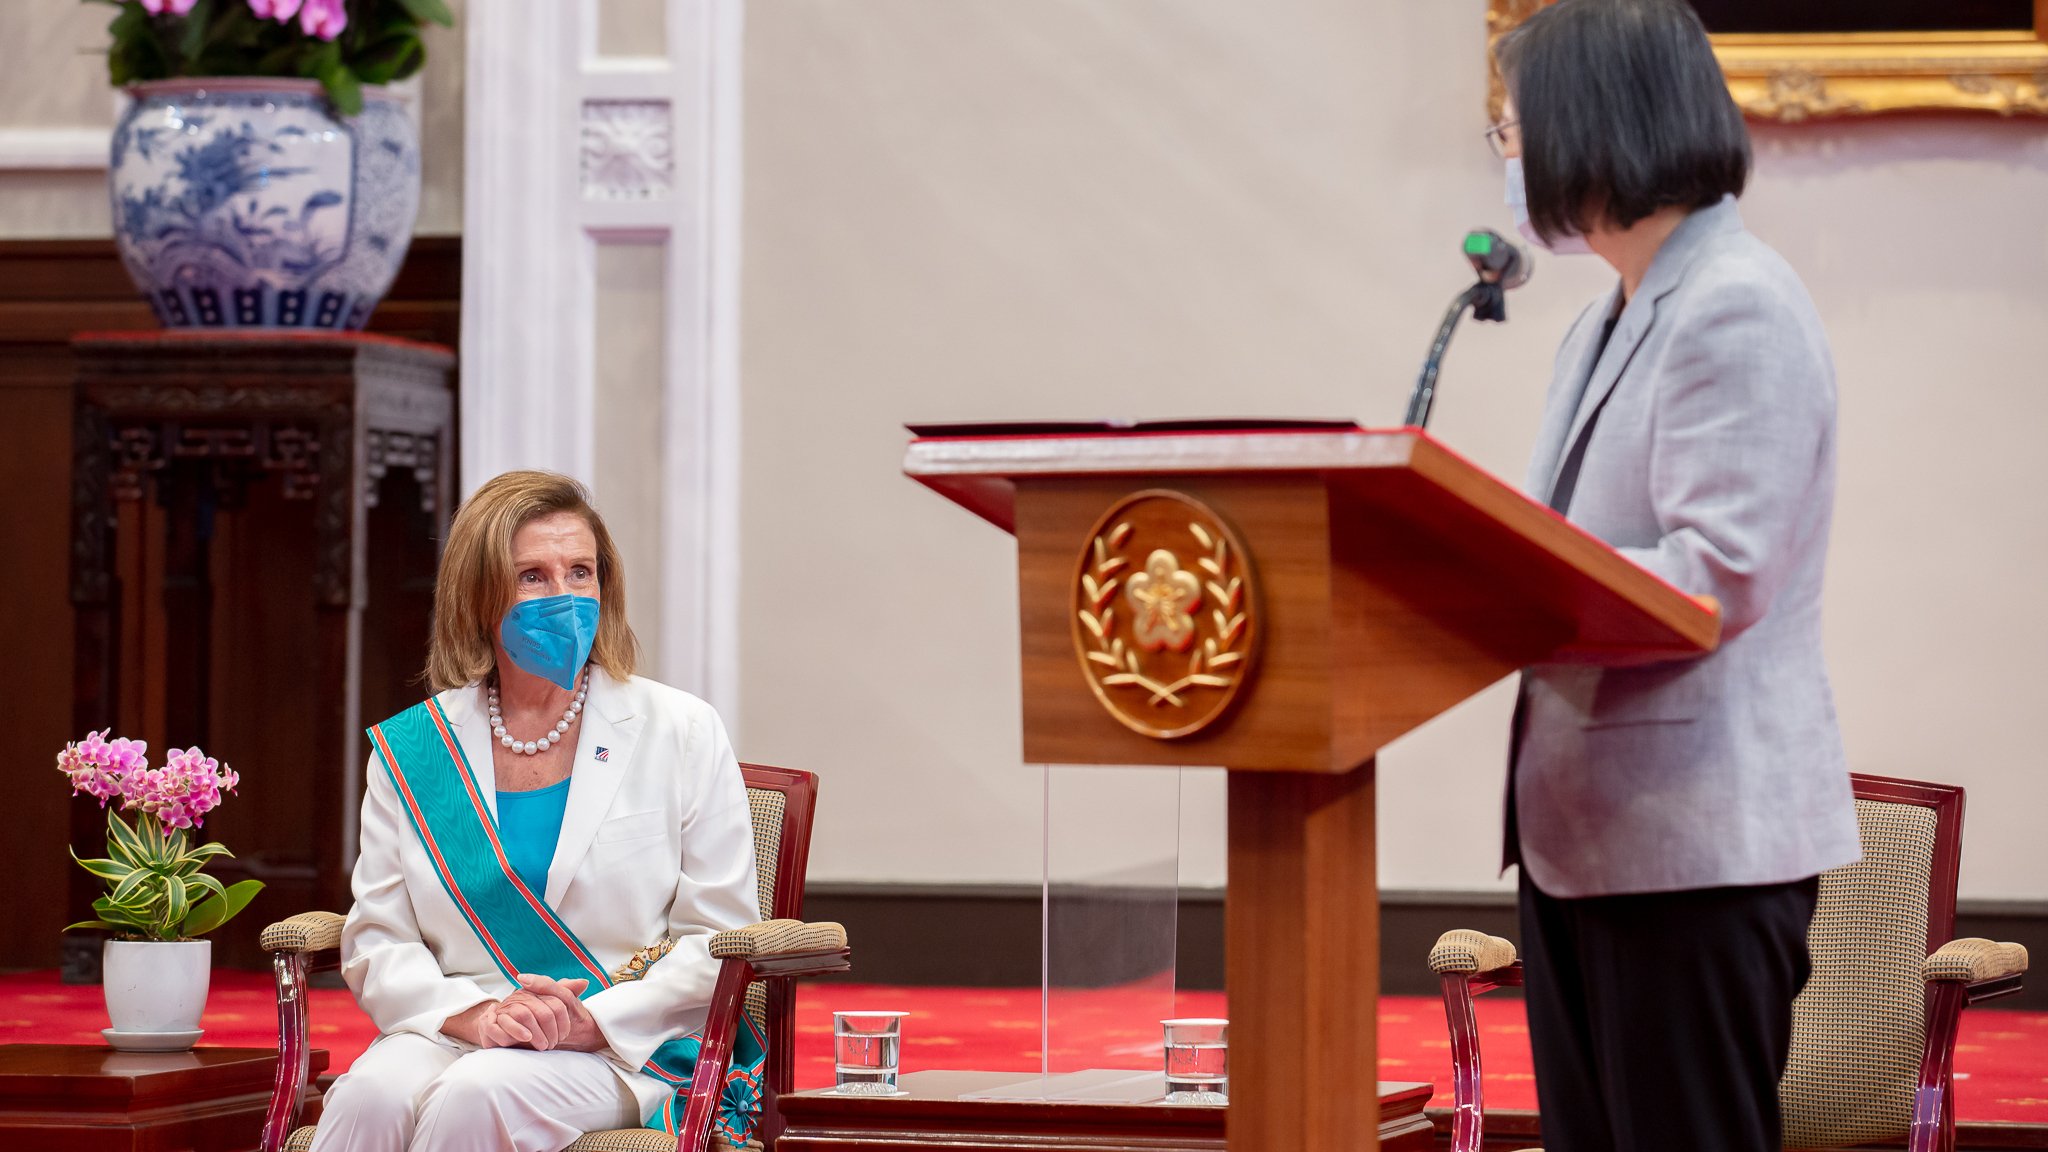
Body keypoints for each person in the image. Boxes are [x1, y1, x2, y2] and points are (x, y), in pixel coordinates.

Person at [1490, 2, 1861, 1149]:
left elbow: (1710, 578)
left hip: (1689, 850)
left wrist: (1494, 583)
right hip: (1587, 844)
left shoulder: (1731, 304)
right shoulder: (1610, 316)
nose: (1507, 159)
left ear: (1591, 126)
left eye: (1510, 131)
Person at [310, 471, 763, 1152]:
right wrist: (478, 1016)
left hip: (625, 1043)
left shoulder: (681, 730)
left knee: (480, 1093)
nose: (564, 598)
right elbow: (378, 942)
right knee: (369, 1096)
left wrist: (593, 1022)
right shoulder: (414, 750)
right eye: (533, 577)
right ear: (480, 595)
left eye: (580, 572)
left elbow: (719, 937)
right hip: (464, 1021)